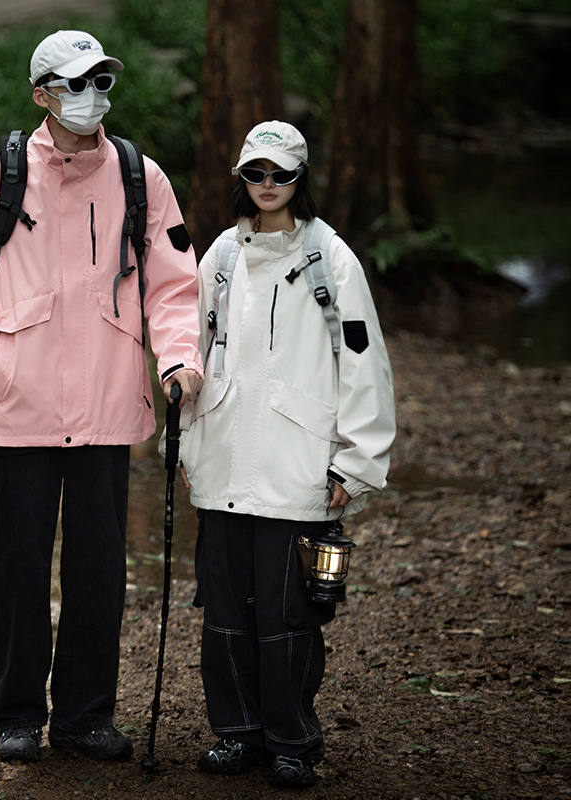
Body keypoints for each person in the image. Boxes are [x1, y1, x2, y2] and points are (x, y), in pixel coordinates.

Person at [0, 30, 203, 764]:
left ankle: (85, 717)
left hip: (108, 409)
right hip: (19, 410)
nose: (92, 96)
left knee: (98, 574)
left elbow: (174, 284)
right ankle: (17, 715)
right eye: (77, 83)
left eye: (102, 81)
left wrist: (178, 358)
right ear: (41, 93)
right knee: (16, 572)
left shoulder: (142, 177)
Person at [178, 121, 395, 788]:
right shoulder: (221, 255)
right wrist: (181, 442)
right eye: (256, 173)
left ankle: (293, 741)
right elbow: (191, 348)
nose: (267, 185)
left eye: (281, 174)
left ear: (300, 178)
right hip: (221, 459)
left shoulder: (332, 258)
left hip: (297, 465)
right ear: (241, 177)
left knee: (289, 616)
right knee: (225, 613)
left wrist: (356, 463)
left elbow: (363, 365)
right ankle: (236, 734)